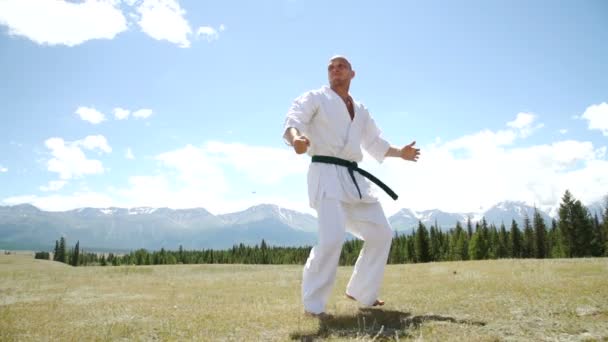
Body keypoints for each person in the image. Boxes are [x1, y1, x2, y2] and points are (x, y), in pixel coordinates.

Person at [282, 55, 421, 316]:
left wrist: (400, 152)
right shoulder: (315, 98)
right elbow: (293, 120)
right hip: (325, 174)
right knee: (332, 239)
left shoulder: (361, 110)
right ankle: (313, 305)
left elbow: (375, 143)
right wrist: (296, 139)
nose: (335, 70)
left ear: (352, 74)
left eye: (341, 66)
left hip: (354, 179)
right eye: (331, 67)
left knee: (381, 234)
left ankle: (361, 291)